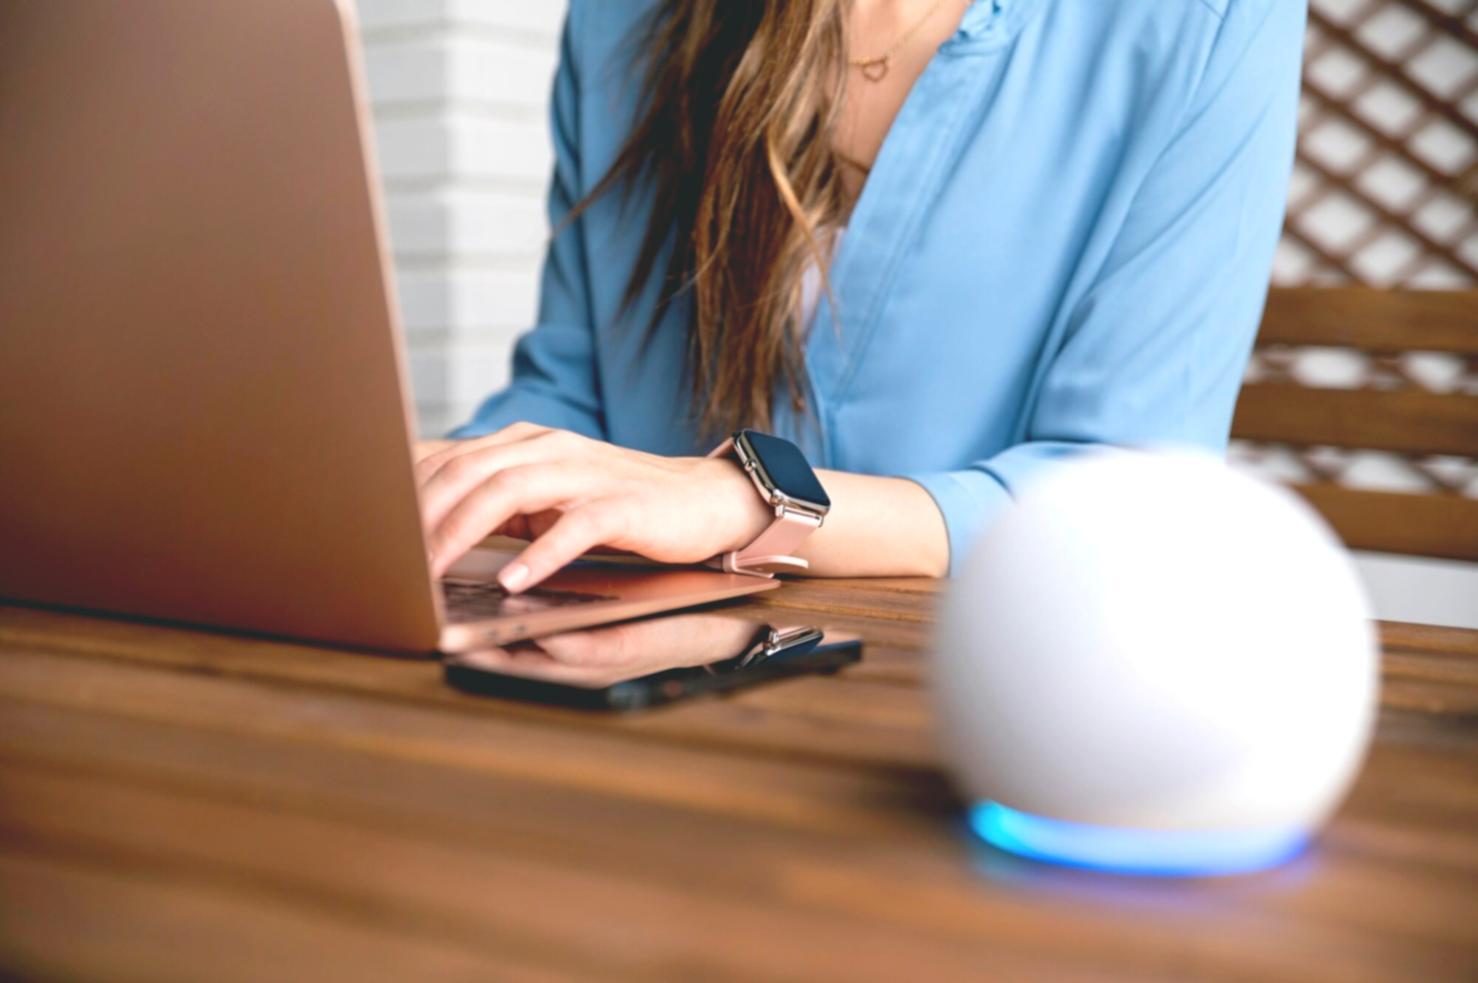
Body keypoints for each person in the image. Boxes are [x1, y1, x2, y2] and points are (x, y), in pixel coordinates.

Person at [414, 0, 1306, 593]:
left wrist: (749, 500)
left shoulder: (1206, 19)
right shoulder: (622, 18)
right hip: (637, 682)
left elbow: (1125, 499)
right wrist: (430, 480)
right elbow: (576, 388)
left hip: (985, 705)